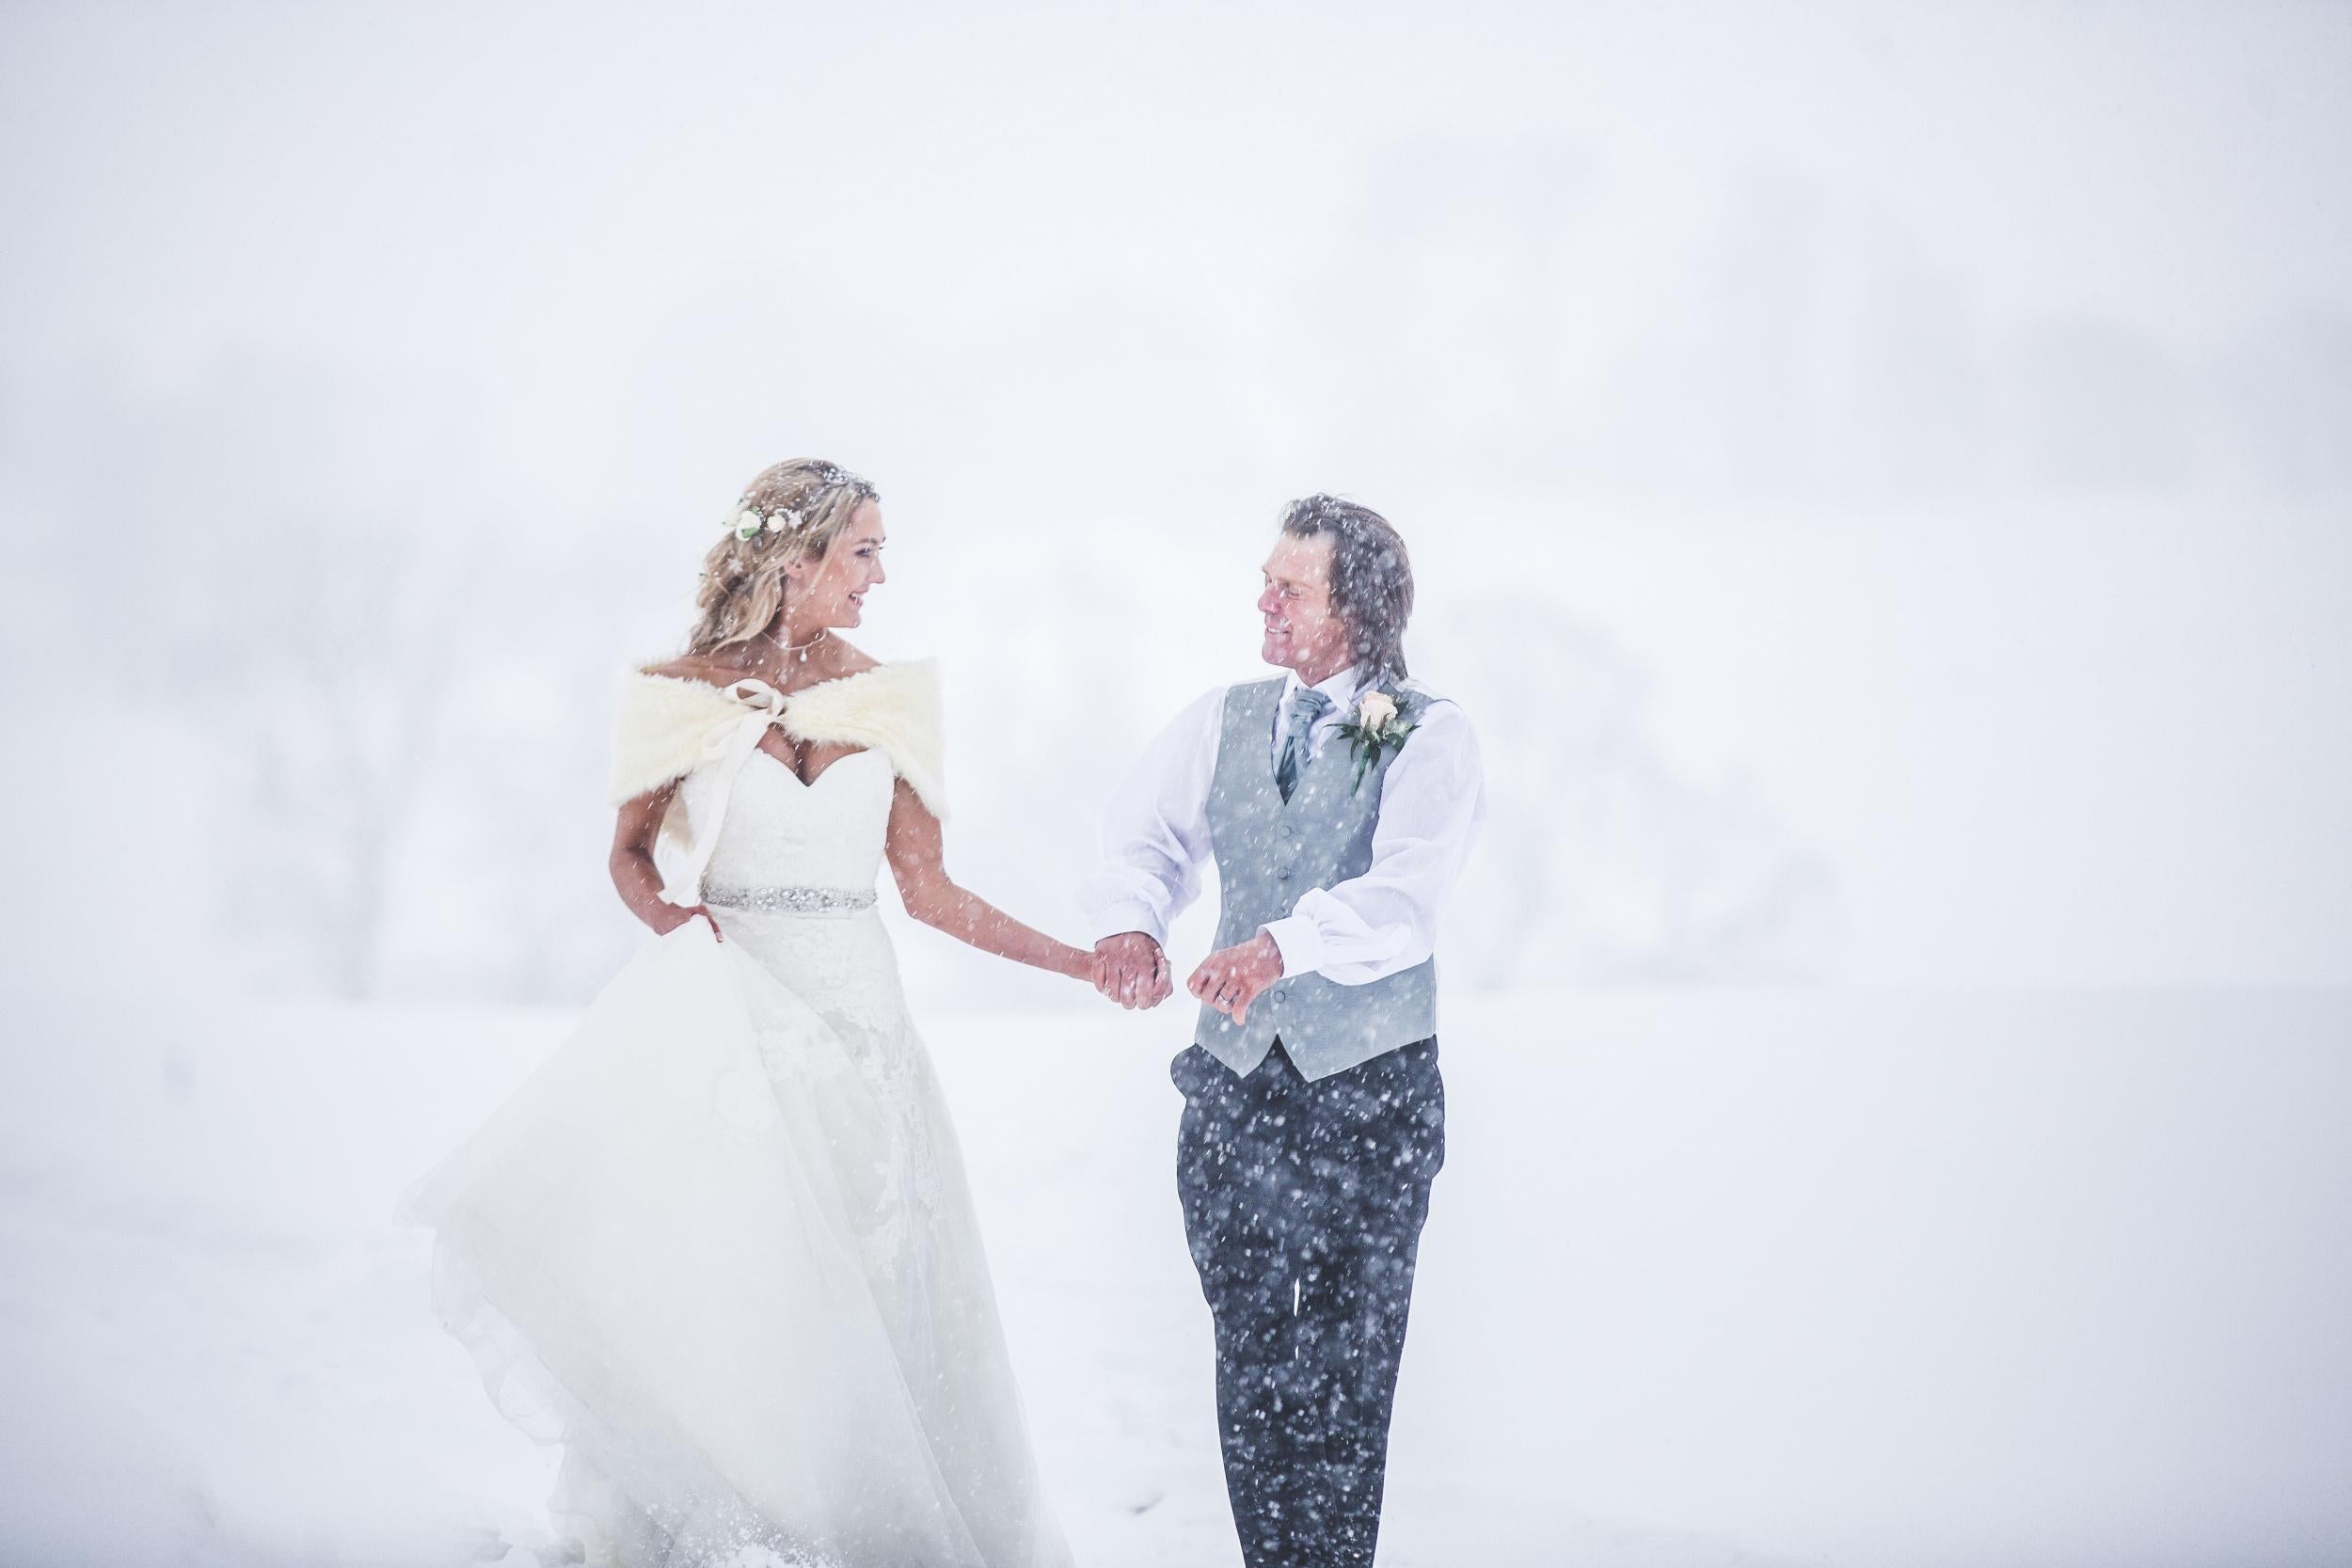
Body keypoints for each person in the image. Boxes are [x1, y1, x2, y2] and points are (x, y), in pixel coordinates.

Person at [402, 458, 1084, 1568]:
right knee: (742, 1278)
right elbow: (627, 858)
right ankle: (745, 1513)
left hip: (861, 1028)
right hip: (730, 1026)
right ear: (794, 557)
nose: (879, 575)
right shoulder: (676, 691)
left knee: (868, 1275)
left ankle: (868, 1522)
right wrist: (680, 929)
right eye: (862, 549)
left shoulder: (890, 698)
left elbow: (932, 891)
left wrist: (1078, 960)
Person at [1083, 494, 1486, 1568]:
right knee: (1252, 1350)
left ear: (1354, 605)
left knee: (1352, 1362)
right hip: (1235, 1090)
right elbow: (1142, 839)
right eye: (1265, 578)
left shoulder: (1430, 733)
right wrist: (1131, 922)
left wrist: (1277, 947)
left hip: (1371, 1096)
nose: (1260, 599)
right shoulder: (1224, 714)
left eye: (1287, 585)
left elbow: (1405, 899)